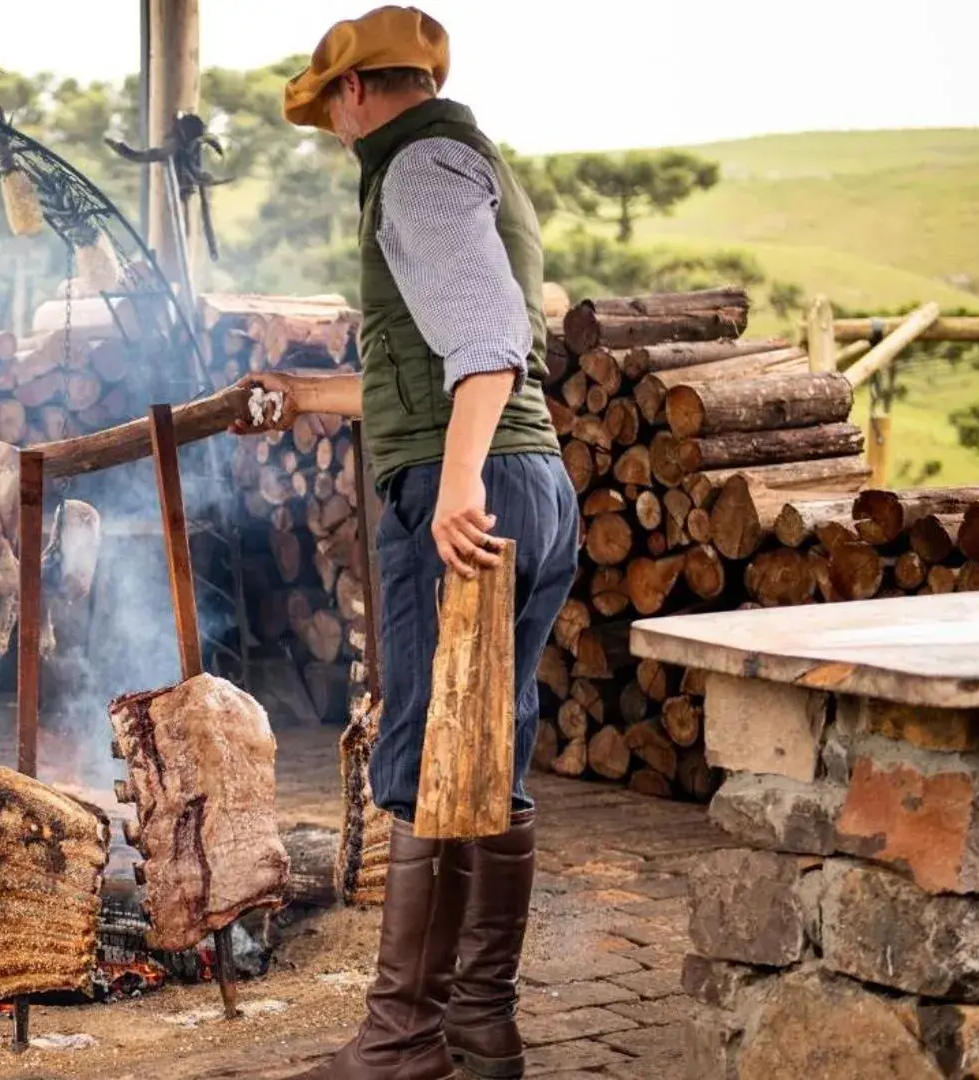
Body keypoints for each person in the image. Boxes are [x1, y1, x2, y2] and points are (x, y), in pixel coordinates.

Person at [234, 8, 580, 1079]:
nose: (333, 128)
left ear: (350, 93)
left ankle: (400, 1044)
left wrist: (456, 484)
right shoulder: (464, 161)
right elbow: (440, 365)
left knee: (430, 750)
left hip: (469, 486)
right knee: (481, 752)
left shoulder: (419, 168)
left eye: (327, 108)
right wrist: (308, 396)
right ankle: (478, 1026)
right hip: (519, 481)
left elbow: (485, 350)